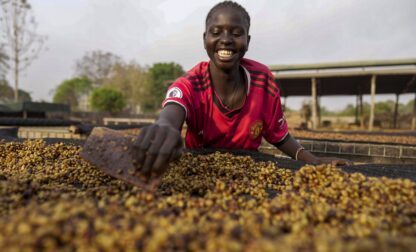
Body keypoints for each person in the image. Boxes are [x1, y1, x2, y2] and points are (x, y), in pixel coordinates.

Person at [133, 1, 351, 177]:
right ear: (205, 39)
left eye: (236, 33)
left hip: (250, 172)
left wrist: (313, 161)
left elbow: (279, 135)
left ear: (247, 40)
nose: (226, 40)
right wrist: (163, 128)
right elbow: (171, 113)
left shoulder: (263, 80)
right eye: (216, 32)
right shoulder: (190, 84)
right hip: (197, 172)